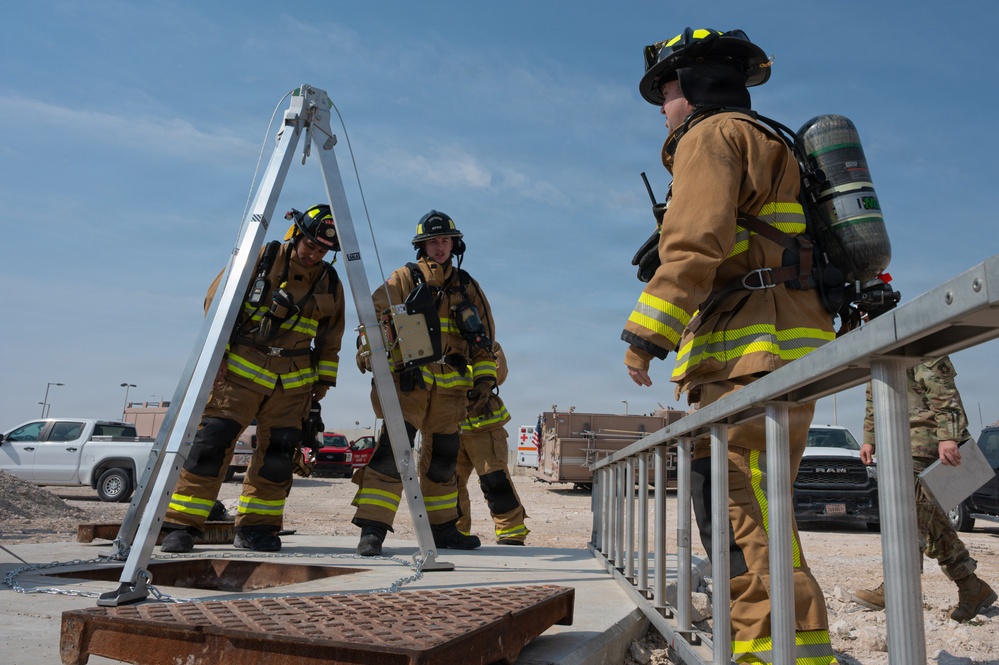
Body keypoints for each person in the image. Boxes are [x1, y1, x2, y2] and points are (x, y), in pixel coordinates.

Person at [621, 28, 838, 662]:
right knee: (749, 512)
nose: (663, 108)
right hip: (771, 349)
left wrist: (644, 336)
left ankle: (775, 655)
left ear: (689, 84)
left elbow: (695, 245)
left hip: (750, 353)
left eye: (664, 92)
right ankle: (777, 648)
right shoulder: (769, 142)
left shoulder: (712, 136)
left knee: (747, 514)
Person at [160, 204, 346, 553]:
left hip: (292, 385)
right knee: (210, 446)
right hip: (239, 374)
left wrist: (320, 384)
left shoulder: (331, 282)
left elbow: (331, 337)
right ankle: (181, 525)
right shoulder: (264, 257)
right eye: (310, 245)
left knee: (277, 457)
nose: (313, 254)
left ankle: (257, 528)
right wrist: (216, 356)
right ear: (296, 235)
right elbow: (216, 300)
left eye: (322, 250)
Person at [351, 210, 497, 556]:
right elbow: (372, 316)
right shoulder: (405, 277)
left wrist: (485, 380)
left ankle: (444, 530)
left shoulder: (467, 286)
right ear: (422, 246)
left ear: (454, 243)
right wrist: (369, 354)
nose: (440, 247)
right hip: (410, 383)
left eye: (445, 240)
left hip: (451, 389)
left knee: (443, 460)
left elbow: (485, 338)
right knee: (393, 453)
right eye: (433, 241)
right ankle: (372, 530)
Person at [852, 356, 997, 621]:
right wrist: (869, 438)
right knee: (928, 524)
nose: (863, 316)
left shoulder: (916, 343)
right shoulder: (877, 349)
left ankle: (897, 588)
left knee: (911, 520)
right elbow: (874, 398)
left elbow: (944, 391)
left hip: (927, 447)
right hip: (898, 445)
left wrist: (949, 437)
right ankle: (971, 586)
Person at [455, 341, 529, 545]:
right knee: (449, 484)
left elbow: (499, 373)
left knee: (495, 481)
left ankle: (511, 533)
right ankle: (455, 532)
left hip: (483, 425)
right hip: (448, 423)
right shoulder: (439, 343)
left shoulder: (486, 344)